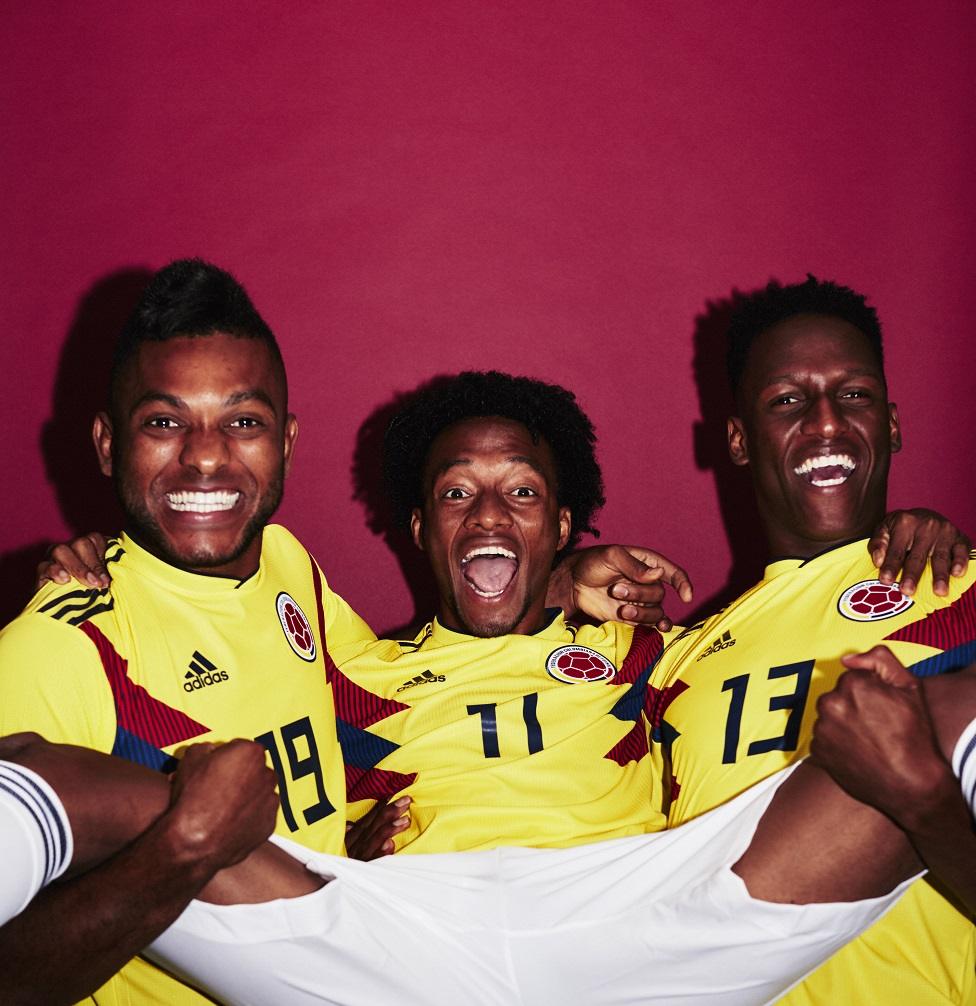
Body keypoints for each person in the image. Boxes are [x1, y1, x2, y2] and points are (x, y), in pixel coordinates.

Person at [4, 378, 976, 1002]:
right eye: (456, 493)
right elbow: (230, 611)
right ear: (420, 530)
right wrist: (108, 567)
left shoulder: (656, 653)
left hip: (639, 927)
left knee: (930, 714)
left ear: (562, 523)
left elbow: (754, 656)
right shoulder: (348, 664)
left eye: (519, 491)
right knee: (92, 786)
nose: (486, 513)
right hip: (395, 942)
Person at [0, 261, 679, 1005]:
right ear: (106, 444)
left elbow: (437, 666)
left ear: (285, 441)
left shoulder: (291, 573)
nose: (204, 454)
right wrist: (181, 850)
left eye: (243, 421)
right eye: (164, 422)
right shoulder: (56, 649)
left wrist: (557, 576)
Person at [651, 276, 976, 1005]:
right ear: (737, 439)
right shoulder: (672, 666)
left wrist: (926, 808)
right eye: (788, 401)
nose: (827, 423)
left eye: (854, 394)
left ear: (891, 423)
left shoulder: (963, 594)